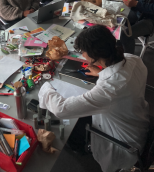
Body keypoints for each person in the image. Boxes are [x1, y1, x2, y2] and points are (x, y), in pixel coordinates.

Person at [38, 25, 149, 172]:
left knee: (68, 122)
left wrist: (45, 86)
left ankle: (79, 149)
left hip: (123, 143)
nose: (83, 56)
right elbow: (120, 78)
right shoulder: (133, 59)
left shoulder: (110, 89)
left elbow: (61, 109)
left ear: (94, 56)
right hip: (138, 121)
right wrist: (101, 73)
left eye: (83, 53)